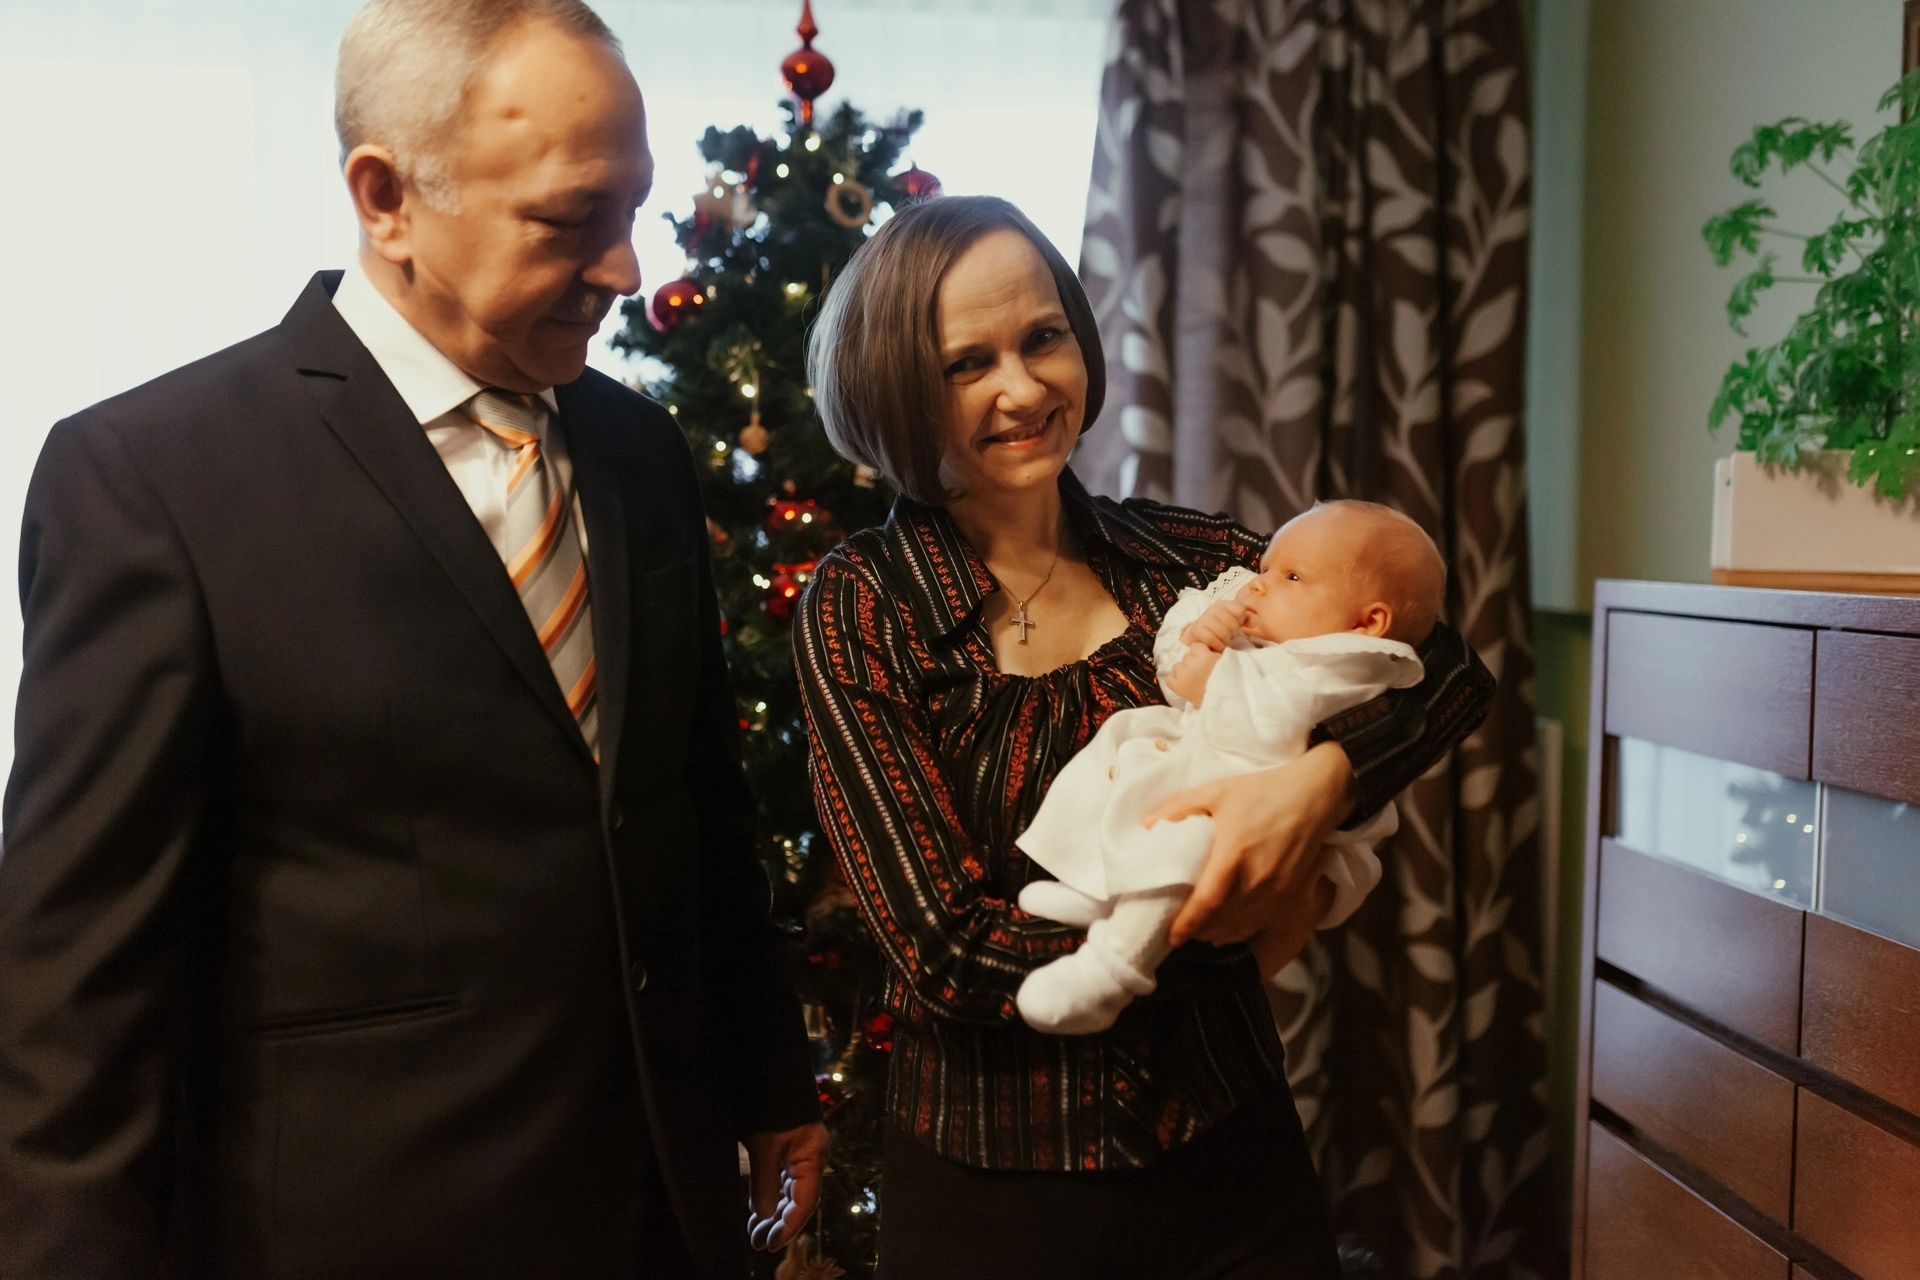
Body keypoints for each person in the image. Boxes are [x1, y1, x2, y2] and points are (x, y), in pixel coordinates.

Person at [0, 2, 824, 1276]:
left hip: (661, 1215)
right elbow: (80, 978)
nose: (627, 269)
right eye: (570, 219)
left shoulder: (639, 450)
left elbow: (695, 807)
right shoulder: (153, 480)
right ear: (386, 199)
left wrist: (772, 1081)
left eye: (635, 209)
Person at [794, 195, 1495, 1279]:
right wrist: (1234, 934)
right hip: (997, 1191)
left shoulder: (1192, 561)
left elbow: (1446, 669)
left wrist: (1323, 783)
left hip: (1231, 1160)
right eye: (966, 363)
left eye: (1043, 337)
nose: (1024, 388)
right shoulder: (862, 605)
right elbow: (941, 948)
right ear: (894, 385)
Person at [1013, 501, 1444, 1035]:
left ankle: (1114, 967)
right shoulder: (1284, 634)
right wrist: (1200, 637)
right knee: (1124, 745)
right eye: (1265, 568)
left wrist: (1215, 681)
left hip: (1269, 820)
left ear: (1367, 622)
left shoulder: (1355, 663)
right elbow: (1183, 677)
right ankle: (1098, 883)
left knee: (1191, 838)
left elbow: (1283, 729)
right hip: (1220, 771)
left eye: (1290, 577)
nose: (1256, 583)